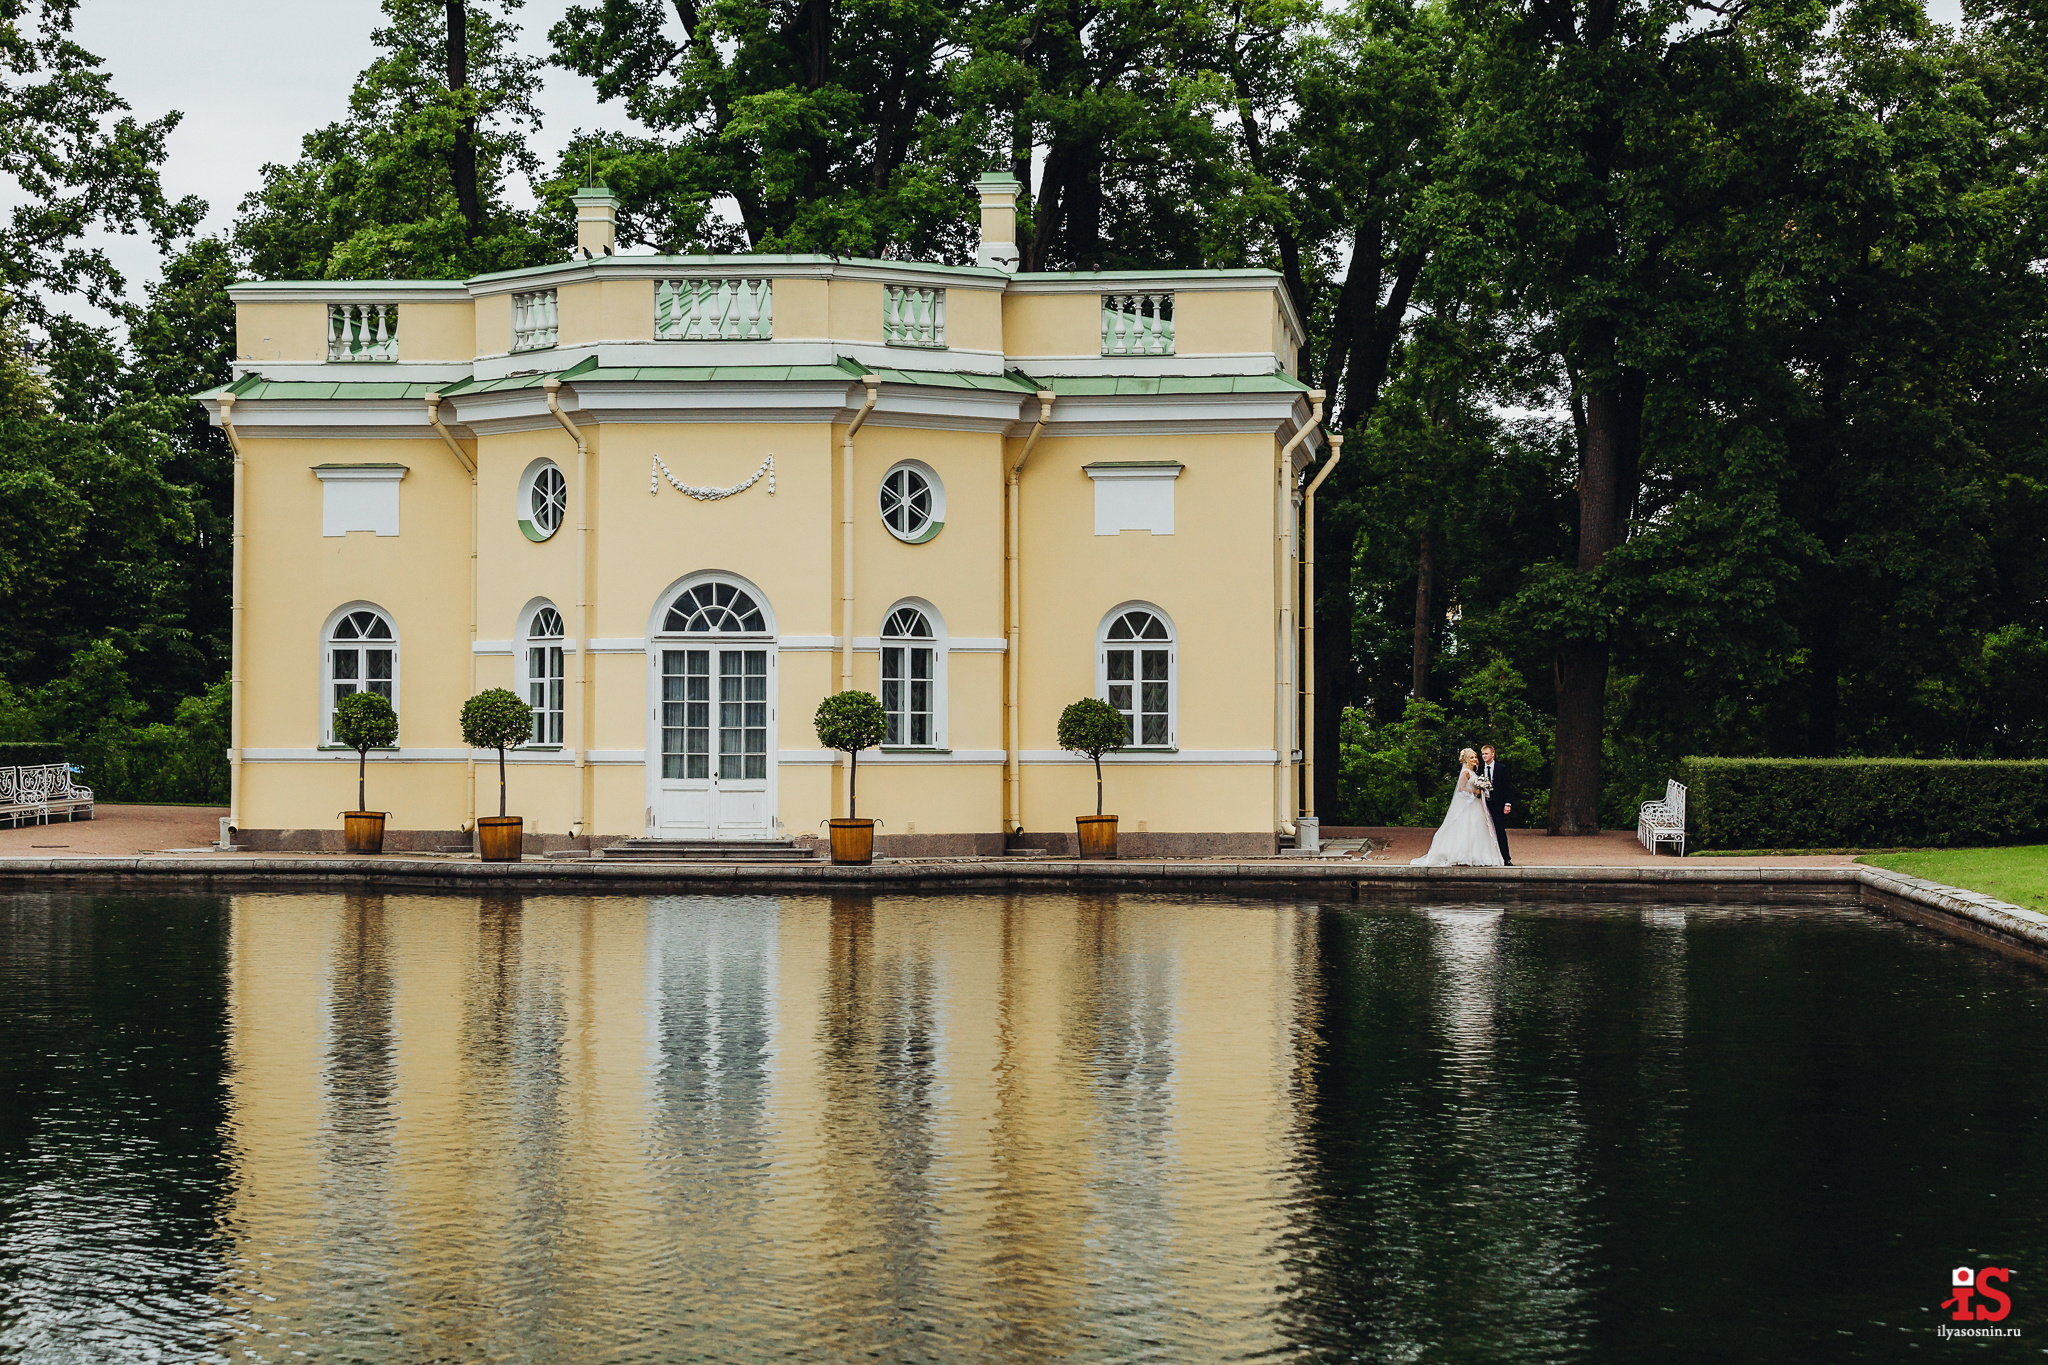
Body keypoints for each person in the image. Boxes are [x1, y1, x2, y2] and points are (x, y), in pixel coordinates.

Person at [1409, 747, 1505, 867]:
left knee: (1478, 828)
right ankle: (1463, 855)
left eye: (1475, 757)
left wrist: (1480, 787)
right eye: (1472, 757)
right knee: (1467, 828)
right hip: (1469, 804)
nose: (1475, 759)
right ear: (1466, 760)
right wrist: (1476, 792)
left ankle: (1477, 854)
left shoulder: (1474, 773)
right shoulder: (1465, 772)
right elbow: (1461, 789)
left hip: (1476, 804)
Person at [1479, 743, 1514, 866]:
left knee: (1500, 830)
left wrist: (1507, 803)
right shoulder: (1479, 768)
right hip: (1484, 804)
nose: (1484, 756)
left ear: (1493, 754)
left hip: (1498, 804)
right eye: (1482, 754)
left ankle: (1506, 858)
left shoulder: (1501, 768)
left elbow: (1506, 787)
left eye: (1486, 754)